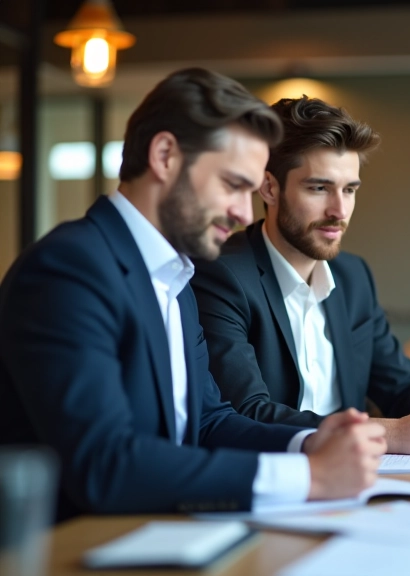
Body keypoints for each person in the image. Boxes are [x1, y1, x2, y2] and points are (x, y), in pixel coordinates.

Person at [0, 68, 386, 520]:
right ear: (165, 155)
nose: (245, 212)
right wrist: (311, 477)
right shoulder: (69, 269)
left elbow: (209, 421)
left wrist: (311, 441)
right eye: (233, 184)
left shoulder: (175, 277)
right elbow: (104, 464)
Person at [191, 96, 410, 454]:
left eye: (349, 190)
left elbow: (400, 385)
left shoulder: (353, 276)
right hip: (281, 479)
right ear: (270, 187)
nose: (339, 210)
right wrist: (389, 434)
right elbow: (246, 414)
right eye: (319, 188)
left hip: (359, 479)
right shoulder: (221, 276)